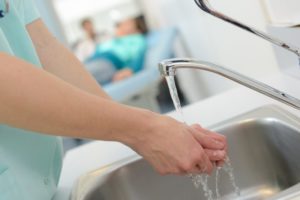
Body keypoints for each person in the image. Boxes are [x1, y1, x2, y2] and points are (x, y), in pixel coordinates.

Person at [0, 1, 227, 200]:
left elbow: (43, 46)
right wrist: (144, 130)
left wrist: (146, 131)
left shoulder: (133, 42)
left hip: (40, 184)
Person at [90, 17, 147, 84]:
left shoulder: (136, 38)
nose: (121, 24)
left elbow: (139, 54)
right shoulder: (113, 40)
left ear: (136, 30)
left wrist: (131, 70)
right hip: (92, 61)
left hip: (107, 62)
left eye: (127, 24)